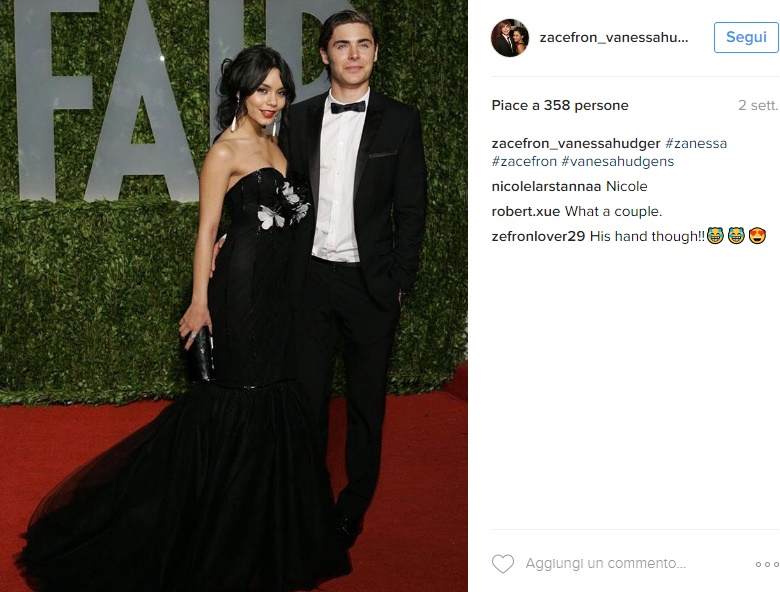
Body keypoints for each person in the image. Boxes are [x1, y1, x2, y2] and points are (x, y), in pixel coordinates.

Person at [16, 46, 350, 592]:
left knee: (275, 393)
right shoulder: (225, 152)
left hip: (282, 296)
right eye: (262, 90)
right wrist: (200, 302)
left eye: (280, 91)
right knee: (241, 395)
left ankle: (268, 534)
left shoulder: (278, 143)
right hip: (240, 291)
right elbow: (206, 231)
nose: (272, 100)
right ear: (240, 93)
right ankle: (220, 538)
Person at [280, 10, 427, 549]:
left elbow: (411, 207)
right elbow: (281, 197)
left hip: (371, 286)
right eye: (342, 45)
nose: (354, 54)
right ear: (325, 55)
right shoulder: (297, 118)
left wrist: (399, 280)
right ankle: (310, 499)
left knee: (366, 406)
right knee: (307, 401)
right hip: (310, 282)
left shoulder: (401, 120)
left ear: (375, 53)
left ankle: (353, 505)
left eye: (364, 44)